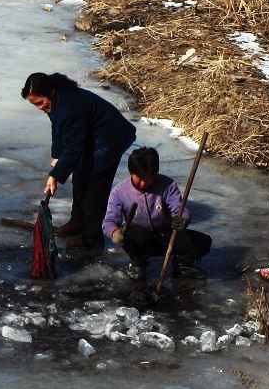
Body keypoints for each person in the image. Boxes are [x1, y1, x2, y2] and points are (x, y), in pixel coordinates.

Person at [22, 72, 136, 250]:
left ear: (50, 92)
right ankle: (78, 221)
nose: (38, 107)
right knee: (80, 176)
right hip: (92, 135)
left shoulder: (68, 107)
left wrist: (55, 175)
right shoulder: (54, 102)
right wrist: (57, 154)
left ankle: (92, 236)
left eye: (39, 102)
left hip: (111, 137)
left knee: (95, 184)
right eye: (34, 104)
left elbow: (75, 147)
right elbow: (58, 128)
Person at [102, 147, 212, 281]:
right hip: (139, 238)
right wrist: (115, 233)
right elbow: (109, 221)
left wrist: (182, 219)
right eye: (139, 178)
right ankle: (138, 264)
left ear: (156, 173)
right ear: (131, 173)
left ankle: (182, 265)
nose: (143, 183)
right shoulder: (119, 191)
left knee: (202, 242)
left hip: (165, 235)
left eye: (148, 178)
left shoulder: (168, 185)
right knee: (139, 236)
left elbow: (180, 209)